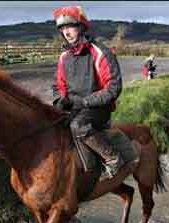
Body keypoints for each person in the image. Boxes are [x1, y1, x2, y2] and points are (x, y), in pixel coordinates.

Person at [51, 6, 124, 178]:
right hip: (74, 107)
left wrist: (85, 102)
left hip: (98, 108)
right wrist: (59, 100)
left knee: (78, 126)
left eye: (70, 27)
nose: (66, 32)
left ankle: (113, 158)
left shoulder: (100, 52)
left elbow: (114, 87)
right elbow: (58, 84)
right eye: (62, 29)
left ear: (82, 27)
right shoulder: (64, 57)